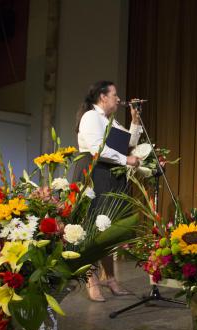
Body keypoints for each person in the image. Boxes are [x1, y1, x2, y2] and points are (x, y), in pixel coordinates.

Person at [73, 80, 142, 302]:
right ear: (103, 97)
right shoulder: (91, 117)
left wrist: (135, 121)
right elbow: (96, 148)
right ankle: (91, 279)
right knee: (92, 227)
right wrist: (126, 160)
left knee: (108, 227)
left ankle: (110, 278)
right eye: (114, 95)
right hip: (94, 173)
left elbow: (128, 142)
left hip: (109, 174)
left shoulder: (110, 120)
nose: (118, 99)